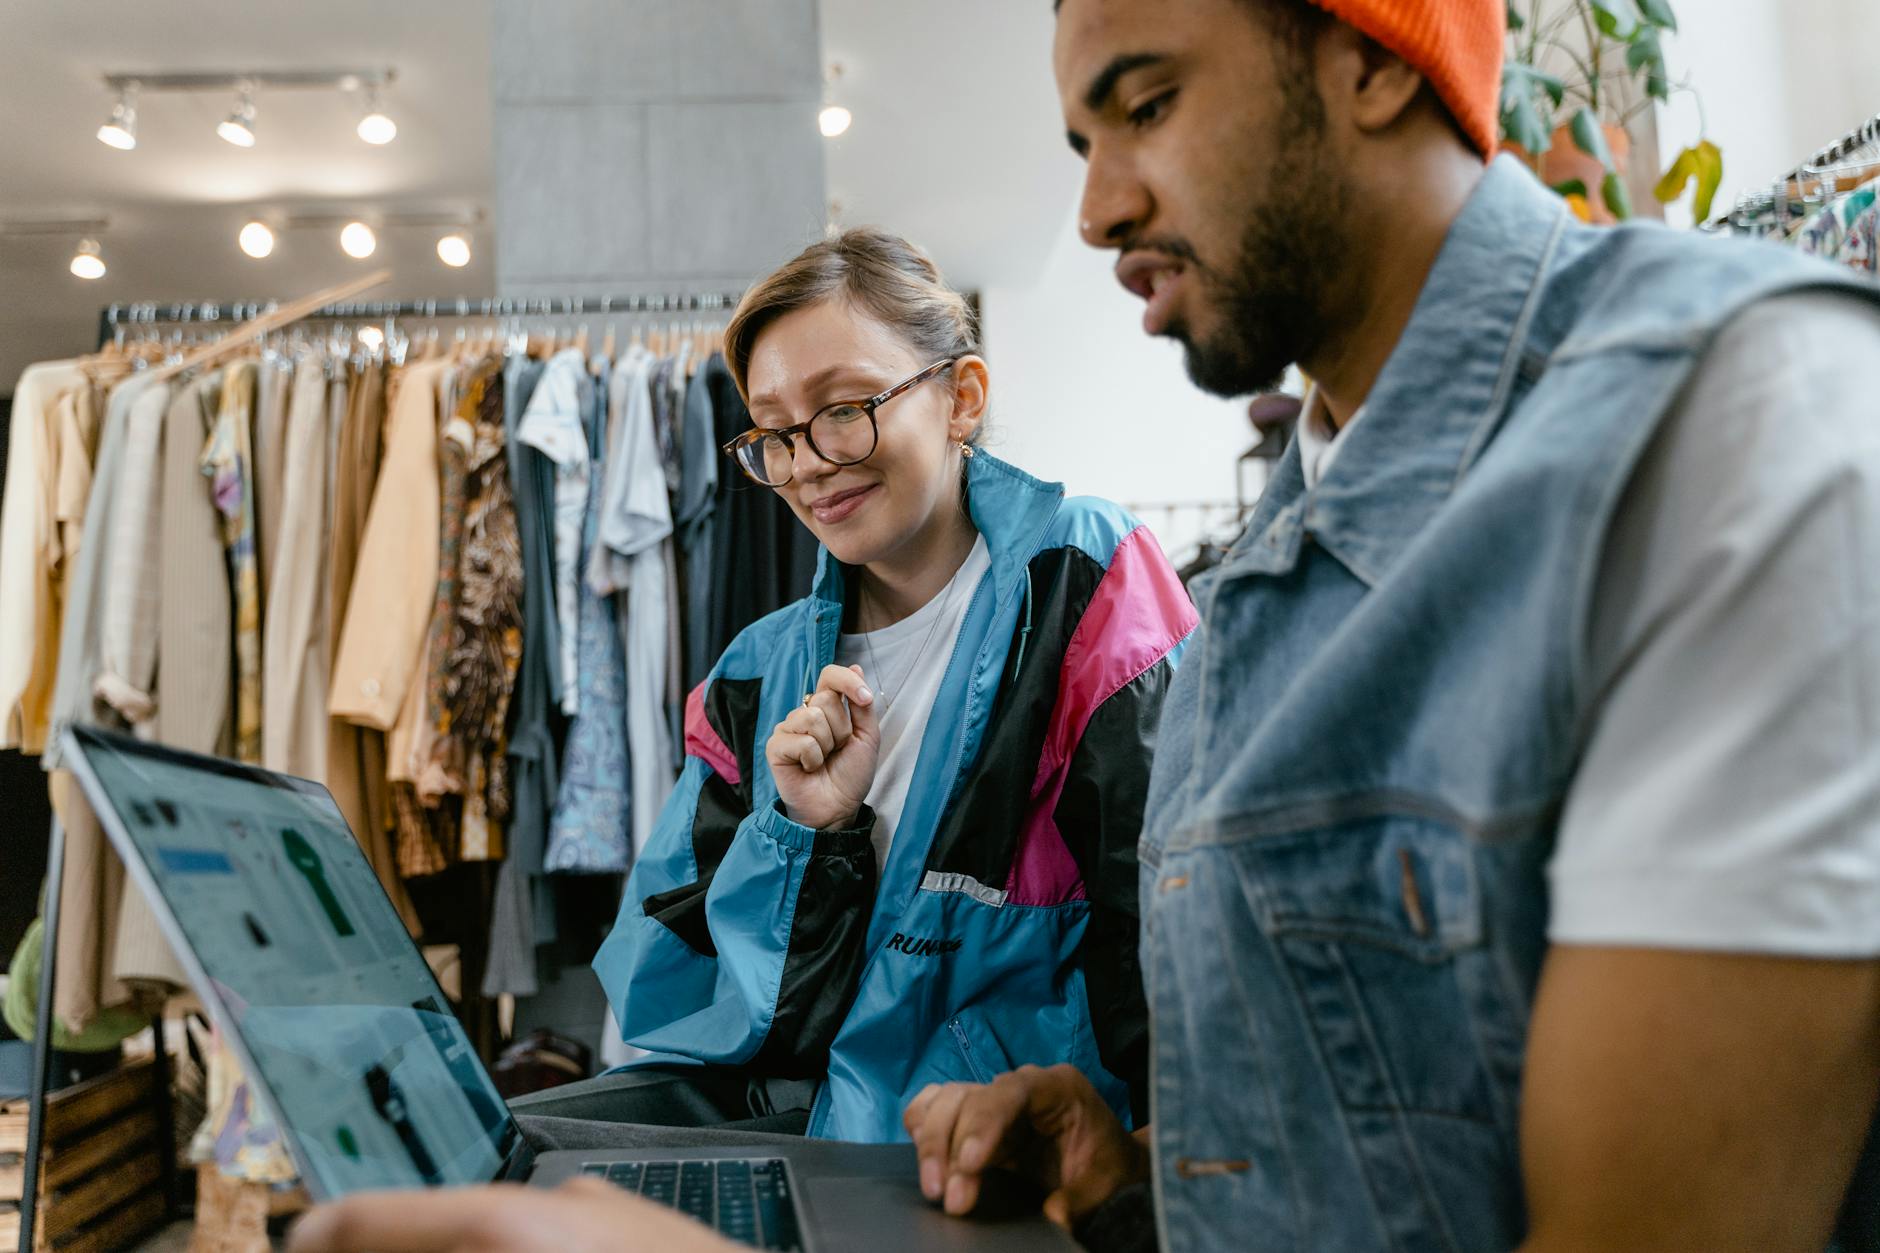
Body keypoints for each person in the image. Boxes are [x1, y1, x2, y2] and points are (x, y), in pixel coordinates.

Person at [294, 0, 1880, 1249]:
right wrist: (1122, 1179)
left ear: (1374, 59)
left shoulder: (1726, 425)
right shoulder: (1281, 556)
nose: (1103, 202)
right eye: (1081, 133)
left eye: (1149, 99)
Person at [509, 227, 1194, 1144]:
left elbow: (1170, 929)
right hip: (811, 1142)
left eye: (844, 408)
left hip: (994, 1163)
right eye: (776, 432)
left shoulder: (1084, 581)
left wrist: (1156, 1192)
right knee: (488, 1156)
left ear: (962, 396)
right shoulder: (752, 677)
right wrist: (810, 836)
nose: (808, 463)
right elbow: (669, 994)